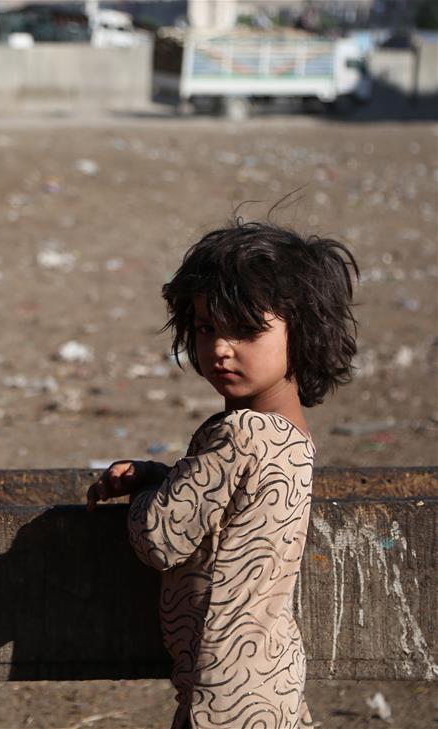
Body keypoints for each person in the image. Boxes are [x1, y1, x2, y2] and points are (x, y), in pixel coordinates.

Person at [86, 219, 359, 729]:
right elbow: (220, 505)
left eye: (245, 330)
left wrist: (146, 489)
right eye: (208, 328)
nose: (220, 348)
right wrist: (159, 473)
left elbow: (160, 538)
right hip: (268, 674)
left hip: (223, 696)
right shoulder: (290, 434)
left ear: (303, 331)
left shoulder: (243, 434)